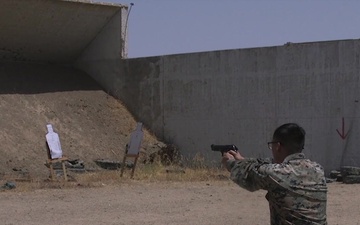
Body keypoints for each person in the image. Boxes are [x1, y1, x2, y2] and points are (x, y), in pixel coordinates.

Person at [222, 123, 327, 225]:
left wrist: (229, 162)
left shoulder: (274, 173)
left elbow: (247, 175)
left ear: (278, 146)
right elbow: (270, 164)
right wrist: (243, 160)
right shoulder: (318, 169)